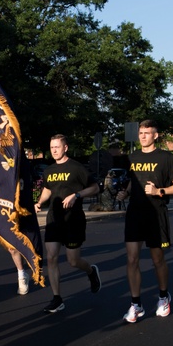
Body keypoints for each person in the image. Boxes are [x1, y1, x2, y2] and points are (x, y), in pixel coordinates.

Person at [119, 120, 173, 323]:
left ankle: (164, 296)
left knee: (157, 260)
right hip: (134, 214)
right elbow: (133, 180)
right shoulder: (132, 157)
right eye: (141, 132)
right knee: (132, 259)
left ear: (156, 135)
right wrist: (126, 192)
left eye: (147, 133)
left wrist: (159, 191)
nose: (143, 136)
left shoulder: (166, 157)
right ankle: (136, 304)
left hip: (156, 214)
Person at [33, 134, 101, 314]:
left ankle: (90, 271)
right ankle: (57, 298)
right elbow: (48, 189)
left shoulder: (77, 168)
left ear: (65, 148)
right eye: (52, 147)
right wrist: (40, 202)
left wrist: (77, 195)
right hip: (54, 219)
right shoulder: (49, 170)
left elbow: (95, 188)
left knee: (73, 260)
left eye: (57, 147)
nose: (54, 150)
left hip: (73, 220)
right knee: (52, 257)